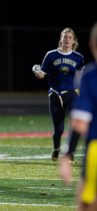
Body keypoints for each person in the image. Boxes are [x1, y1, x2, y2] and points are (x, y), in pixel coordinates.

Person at [59, 22, 97, 211]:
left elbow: (80, 124)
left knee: (86, 204)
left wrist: (66, 155)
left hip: (95, 150)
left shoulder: (90, 75)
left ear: (92, 44)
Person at [32, 27, 84, 161]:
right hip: (55, 95)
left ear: (74, 41)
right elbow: (42, 75)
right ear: (61, 39)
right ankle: (56, 149)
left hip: (71, 95)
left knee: (74, 125)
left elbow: (79, 77)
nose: (67, 39)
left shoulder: (78, 57)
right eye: (64, 37)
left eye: (69, 37)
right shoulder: (51, 55)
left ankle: (70, 152)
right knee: (58, 130)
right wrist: (35, 69)